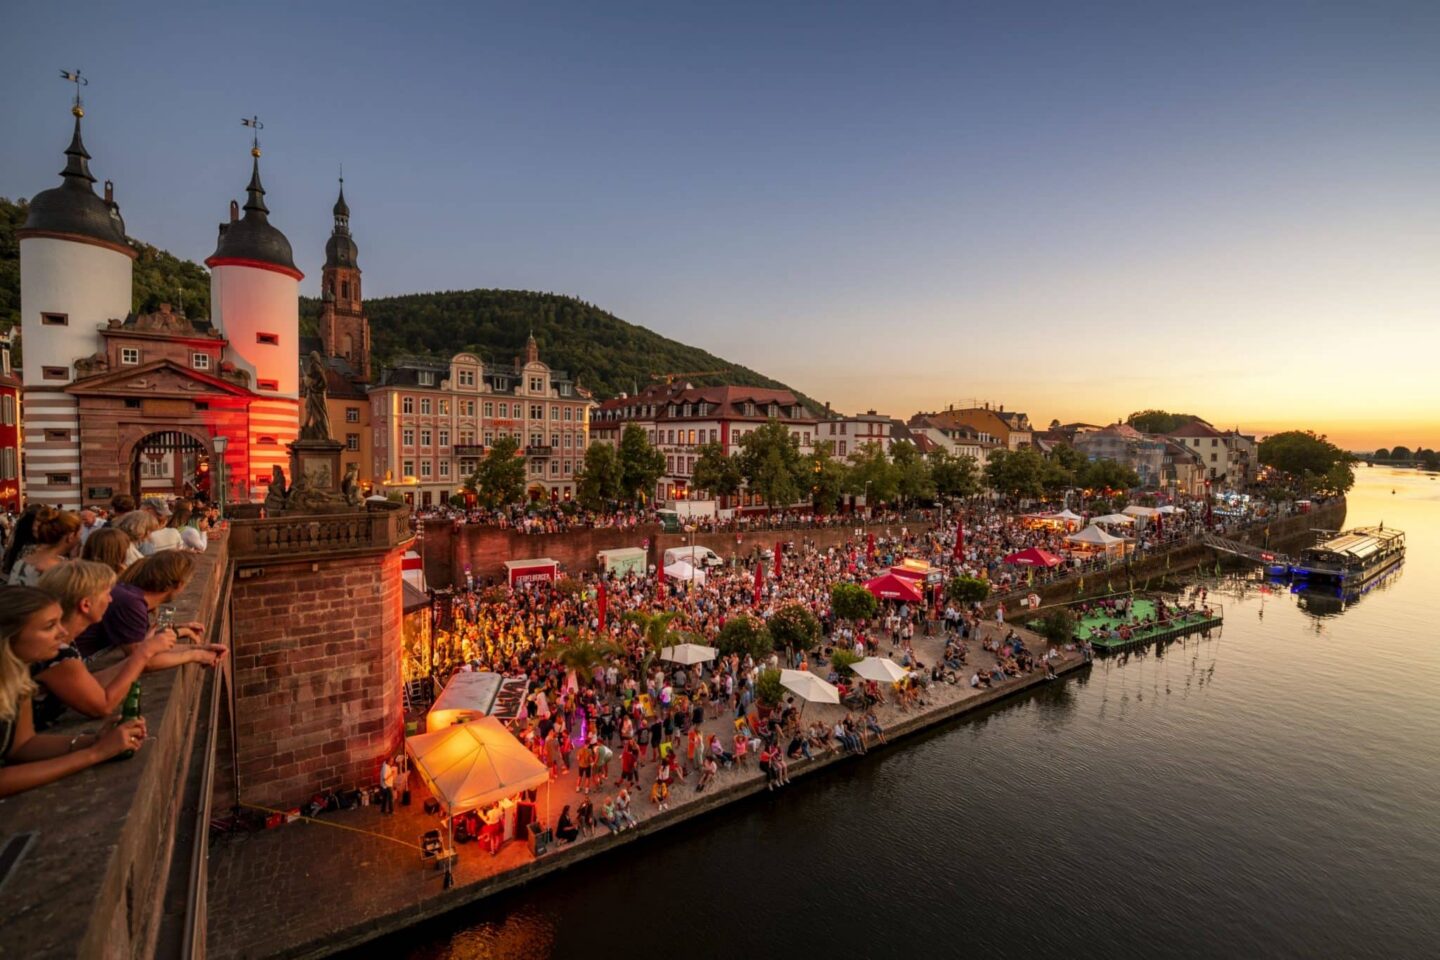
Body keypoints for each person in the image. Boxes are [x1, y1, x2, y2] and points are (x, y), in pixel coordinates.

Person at [0, 587, 148, 797]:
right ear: (9, 637)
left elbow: (22, 745)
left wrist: (97, 739)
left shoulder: (19, 671)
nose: (62, 632)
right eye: (49, 626)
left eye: (60, 621)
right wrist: (94, 753)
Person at [31, 562, 175, 729]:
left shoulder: (61, 641)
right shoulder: (56, 650)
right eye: (106, 593)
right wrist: (143, 652)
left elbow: (90, 683)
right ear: (86, 605)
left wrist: (195, 652)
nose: (110, 599)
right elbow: (103, 706)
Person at [7, 507, 80, 587]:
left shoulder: (21, 562)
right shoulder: (65, 571)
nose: (80, 538)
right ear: (71, 536)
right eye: (80, 534)